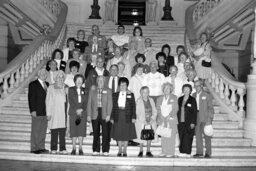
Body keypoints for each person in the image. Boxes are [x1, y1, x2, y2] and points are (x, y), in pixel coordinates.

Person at [111, 77, 137, 157]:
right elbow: (112, 107)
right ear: (119, 86)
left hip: (127, 115)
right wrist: (112, 117)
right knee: (118, 133)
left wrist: (134, 117)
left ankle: (125, 150)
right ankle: (119, 150)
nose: (122, 86)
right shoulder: (114, 95)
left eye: (124, 85)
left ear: (127, 86)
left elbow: (133, 106)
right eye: (121, 85)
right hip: (117, 115)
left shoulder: (130, 94)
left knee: (126, 134)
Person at [87, 76, 113, 156]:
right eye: (99, 80)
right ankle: (96, 149)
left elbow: (110, 103)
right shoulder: (92, 90)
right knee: (95, 133)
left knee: (105, 132)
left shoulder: (108, 90)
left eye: (102, 80)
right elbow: (89, 103)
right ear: (97, 81)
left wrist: (109, 114)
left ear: (104, 81)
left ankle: (105, 150)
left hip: (104, 113)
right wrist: (88, 114)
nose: (100, 81)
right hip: (95, 113)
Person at [46, 70, 68, 155]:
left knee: (62, 131)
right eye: (59, 77)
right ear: (55, 78)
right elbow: (48, 101)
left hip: (63, 112)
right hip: (54, 112)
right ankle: (53, 148)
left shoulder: (66, 87)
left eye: (62, 77)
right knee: (54, 130)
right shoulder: (51, 87)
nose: (61, 79)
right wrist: (48, 113)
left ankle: (63, 148)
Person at [28, 68, 49, 154]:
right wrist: (33, 110)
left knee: (43, 131)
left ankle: (41, 147)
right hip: (37, 110)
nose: (44, 74)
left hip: (46, 111)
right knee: (36, 130)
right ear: (38, 74)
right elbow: (31, 98)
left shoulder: (47, 84)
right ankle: (34, 148)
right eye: (42, 73)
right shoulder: (33, 84)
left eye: (45, 73)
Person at [193, 80, 214, 158]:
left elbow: (211, 108)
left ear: (201, 86)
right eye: (195, 86)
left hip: (205, 117)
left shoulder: (207, 95)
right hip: (196, 117)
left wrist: (209, 119)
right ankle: (199, 152)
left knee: (207, 136)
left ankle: (208, 152)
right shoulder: (193, 95)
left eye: (198, 85)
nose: (196, 87)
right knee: (198, 135)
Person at [156, 82, 178, 157]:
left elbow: (175, 108)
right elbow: (158, 109)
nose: (166, 90)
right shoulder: (159, 98)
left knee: (171, 137)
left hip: (171, 119)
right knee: (164, 136)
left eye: (168, 88)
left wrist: (170, 115)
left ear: (171, 89)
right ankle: (164, 151)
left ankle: (170, 152)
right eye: (165, 88)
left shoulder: (174, 97)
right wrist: (160, 115)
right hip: (162, 119)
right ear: (163, 89)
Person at [68, 74, 88, 155]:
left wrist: (81, 109)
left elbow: (86, 101)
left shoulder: (86, 90)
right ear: (75, 81)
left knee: (81, 130)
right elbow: (70, 101)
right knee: (74, 130)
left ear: (83, 81)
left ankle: (80, 147)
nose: (79, 81)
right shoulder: (71, 89)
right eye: (77, 80)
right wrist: (77, 109)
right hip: (73, 112)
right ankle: (73, 148)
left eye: (81, 80)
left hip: (83, 113)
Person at [135, 86, 157, 157]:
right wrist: (143, 121)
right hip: (141, 121)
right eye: (143, 92)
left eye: (147, 92)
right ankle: (141, 151)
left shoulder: (151, 100)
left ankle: (148, 151)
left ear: (149, 93)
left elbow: (155, 110)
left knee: (149, 136)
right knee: (140, 136)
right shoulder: (138, 100)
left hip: (151, 121)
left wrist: (153, 118)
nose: (145, 94)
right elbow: (137, 112)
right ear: (141, 93)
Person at [177, 84, 197, 158]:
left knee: (188, 137)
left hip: (189, 122)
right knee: (181, 136)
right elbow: (177, 110)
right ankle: (182, 151)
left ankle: (188, 152)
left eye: (188, 89)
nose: (186, 91)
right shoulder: (180, 99)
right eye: (184, 89)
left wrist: (193, 122)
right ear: (182, 90)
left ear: (190, 91)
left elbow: (195, 112)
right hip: (180, 121)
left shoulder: (193, 100)